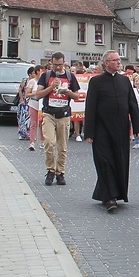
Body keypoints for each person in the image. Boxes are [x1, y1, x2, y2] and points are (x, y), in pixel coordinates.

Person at [83, 50, 139, 212]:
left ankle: (115, 193)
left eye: (119, 59)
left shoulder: (125, 81)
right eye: (114, 60)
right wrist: (89, 132)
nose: (118, 62)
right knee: (105, 162)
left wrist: (137, 127)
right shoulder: (96, 82)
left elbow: (132, 105)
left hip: (121, 129)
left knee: (119, 161)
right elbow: (90, 107)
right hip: (102, 129)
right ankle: (109, 198)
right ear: (106, 63)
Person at [34, 52, 81, 186]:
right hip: (49, 114)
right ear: (51, 63)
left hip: (64, 115)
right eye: (55, 65)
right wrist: (51, 87)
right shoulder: (46, 76)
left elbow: (76, 96)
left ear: (64, 63)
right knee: (49, 142)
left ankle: (60, 172)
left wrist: (67, 92)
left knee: (62, 146)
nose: (58, 68)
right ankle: (50, 170)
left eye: (60, 65)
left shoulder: (70, 76)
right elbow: (38, 95)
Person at [25, 65, 44, 151]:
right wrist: (35, 93)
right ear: (37, 72)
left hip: (41, 105)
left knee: (42, 124)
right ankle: (32, 142)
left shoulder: (44, 81)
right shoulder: (32, 81)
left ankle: (42, 142)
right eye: (41, 71)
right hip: (33, 103)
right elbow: (27, 94)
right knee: (33, 123)